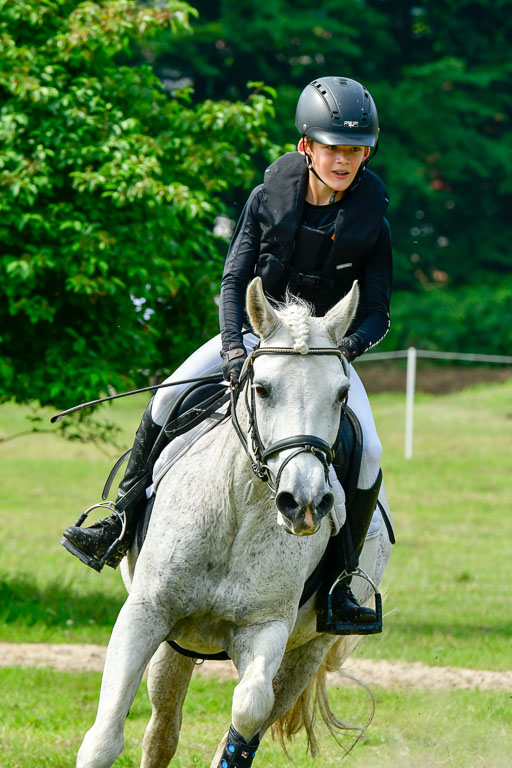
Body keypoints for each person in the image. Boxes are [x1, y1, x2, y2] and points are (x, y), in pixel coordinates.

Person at [62, 76, 392, 635]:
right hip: (253, 335)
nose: (345, 159)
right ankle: (117, 523)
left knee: (371, 452)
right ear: (305, 148)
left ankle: (342, 583)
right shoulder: (268, 198)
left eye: (356, 150)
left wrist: (343, 349)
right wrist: (236, 347)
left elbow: (378, 313)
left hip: (321, 355)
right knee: (168, 398)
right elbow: (234, 277)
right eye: (334, 147)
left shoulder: (373, 219)